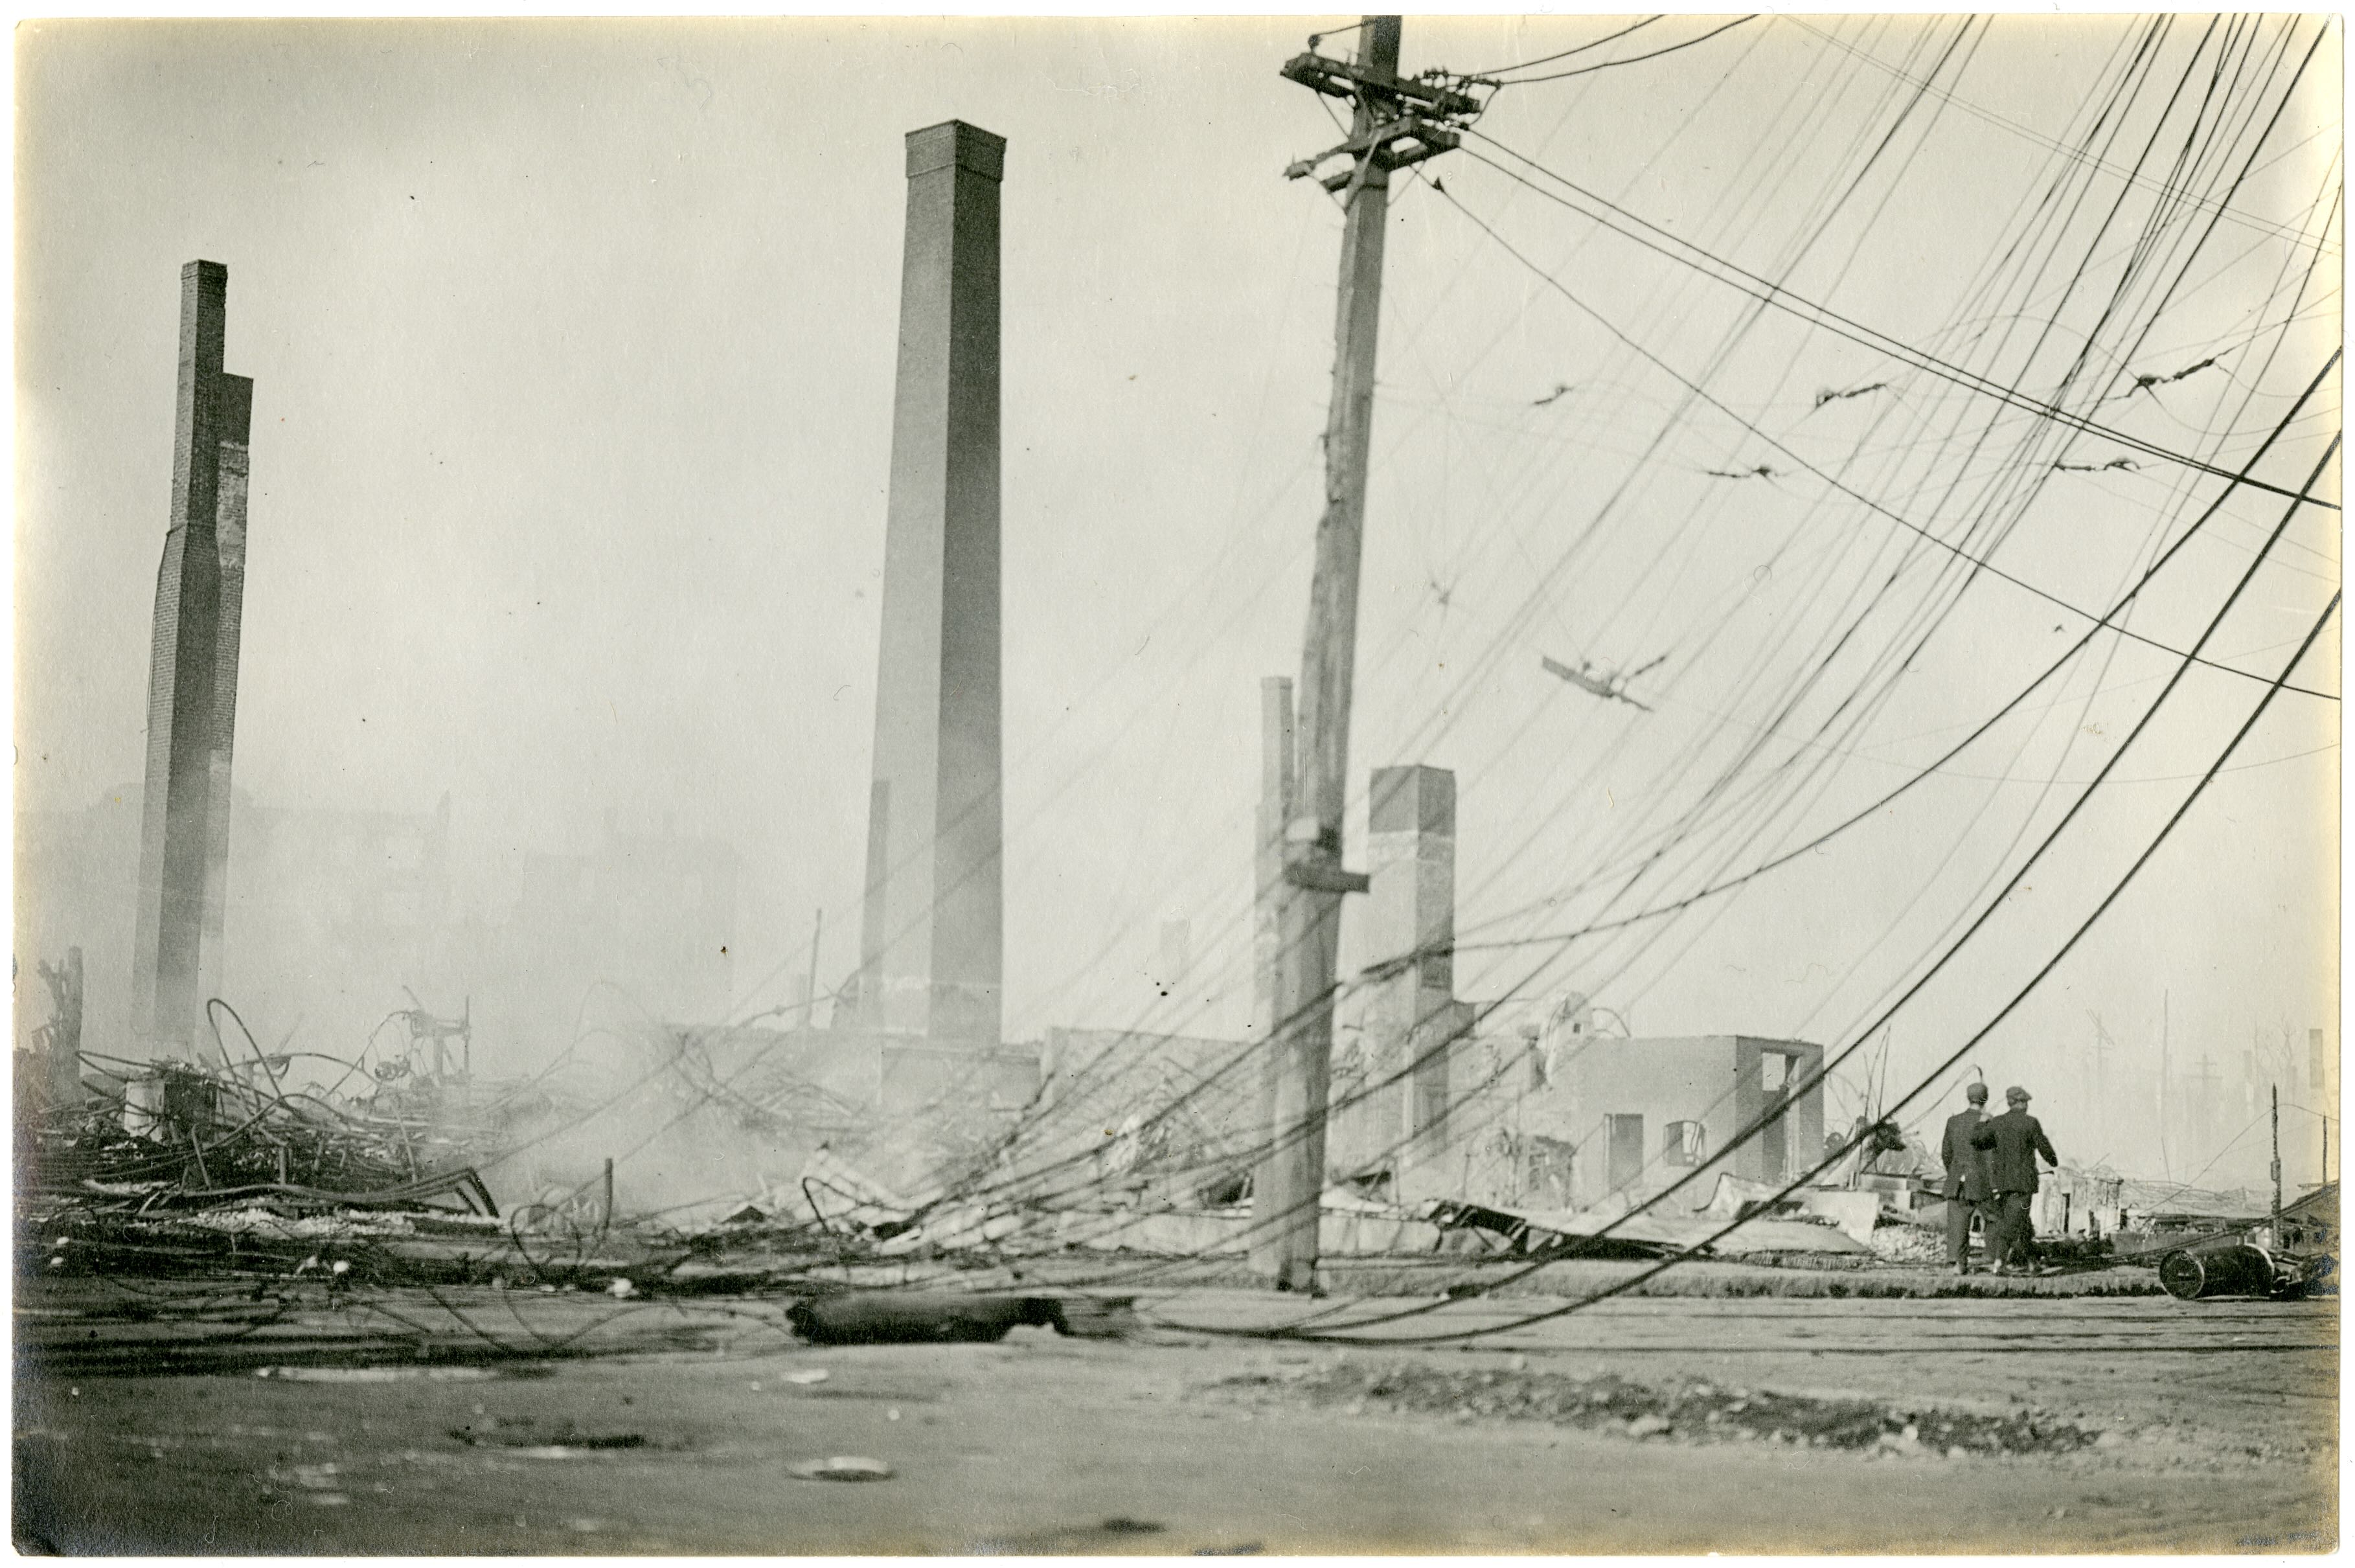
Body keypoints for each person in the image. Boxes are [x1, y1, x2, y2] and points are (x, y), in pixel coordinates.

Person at [1972, 1085, 2059, 1274]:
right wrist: (2053, 1161)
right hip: (2023, 1185)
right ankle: (2000, 1264)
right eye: (2025, 1102)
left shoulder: (1997, 1123)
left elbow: (1977, 1141)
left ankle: (2032, 1263)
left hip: (2002, 1184)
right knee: (2012, 1224)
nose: (2027, 1105)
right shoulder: (2031, 1123)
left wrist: (1982, 1122)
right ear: (2021, 1103)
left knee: (2022, 1223)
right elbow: (2044, 1147)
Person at [1937, 1082, 1994, 1274]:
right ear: (1985, 1099)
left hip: (1957, 1181)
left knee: (1958, 1222)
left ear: (1968, 1098)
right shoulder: (1988, 1122)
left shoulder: (1953, 1121)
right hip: (1981, 1182)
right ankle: (1995, 1259)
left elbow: (1946, 1153)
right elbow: (1992, 1155)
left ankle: (1959, 1264)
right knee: (1995, 1219)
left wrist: (1953, 1171)